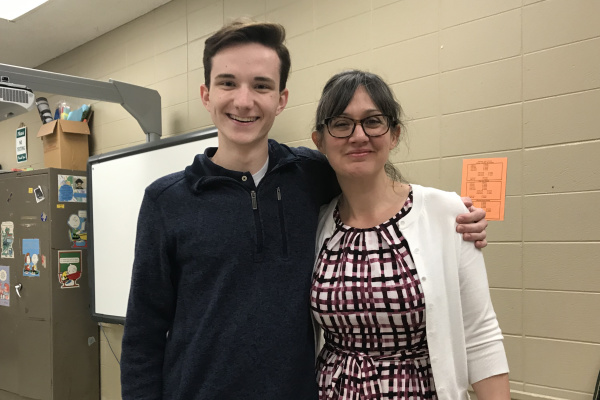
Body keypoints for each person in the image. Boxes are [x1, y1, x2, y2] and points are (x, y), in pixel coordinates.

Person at [120, 21, 489, 400]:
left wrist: (451, 217)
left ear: (281, 99)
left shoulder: (311, 175)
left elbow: (377, 189)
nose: (244, 101)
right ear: (206, 94)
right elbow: (142, 340)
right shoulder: (166, 201)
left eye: (261, 85)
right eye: (228, 83)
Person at [310, 70, 510, 400]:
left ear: (394, 134)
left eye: (373, 121)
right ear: (320, 141)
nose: (359, 135)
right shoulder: (318, 223)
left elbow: (480, 335)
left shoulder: (445, 211)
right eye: (342, 124)